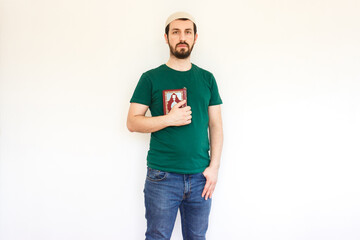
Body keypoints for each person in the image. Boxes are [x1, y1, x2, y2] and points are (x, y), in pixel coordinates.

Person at [127, 11, 223, 240]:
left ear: (195, 37)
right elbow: (132, 121)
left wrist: (214, 168)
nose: (182, 37)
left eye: (187, 32)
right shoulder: (150, 78)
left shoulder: (207, 79)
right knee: (157, 237)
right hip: (162, 176)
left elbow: (216, 125)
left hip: (201, 176)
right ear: (166, 37)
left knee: (197, 237)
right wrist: (169, 119)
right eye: (176, 32)